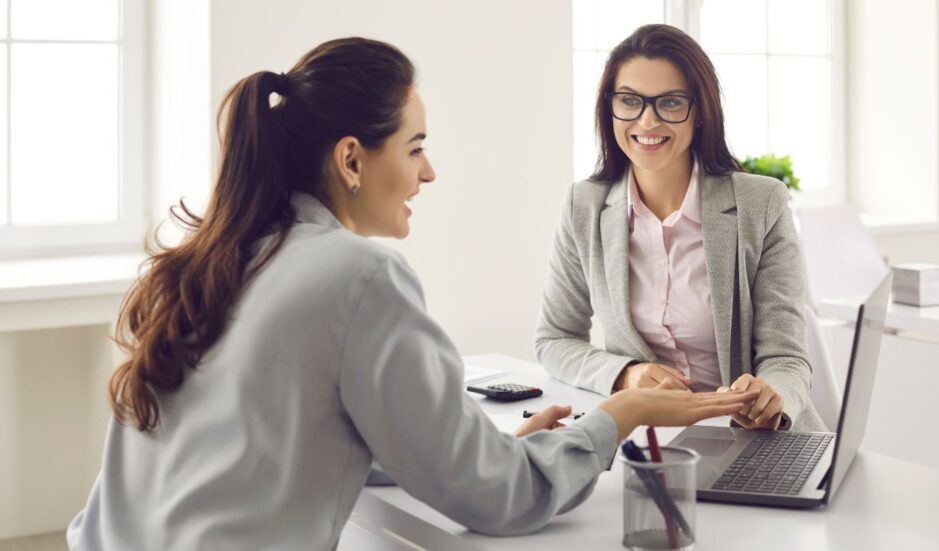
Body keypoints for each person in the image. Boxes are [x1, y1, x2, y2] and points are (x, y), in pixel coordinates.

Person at [66, 37, 756, 549]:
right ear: (351, 159)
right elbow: (499, 498)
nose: (430, 172)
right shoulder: (359, 276)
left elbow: (268, 450)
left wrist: (476, 445)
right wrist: (620, 412)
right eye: (416, 145)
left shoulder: (202, 264)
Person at [535, 24, 826, 433]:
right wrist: (627, 375)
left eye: (670, 103)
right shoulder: (583, 206)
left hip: (752, 439)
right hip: (648, 441)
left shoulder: (761, 204)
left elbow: (787, 357)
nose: (648, 121)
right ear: (609, 108)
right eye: (630, 101)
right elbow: (554, 340)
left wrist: (771, 394)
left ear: (701, 111)